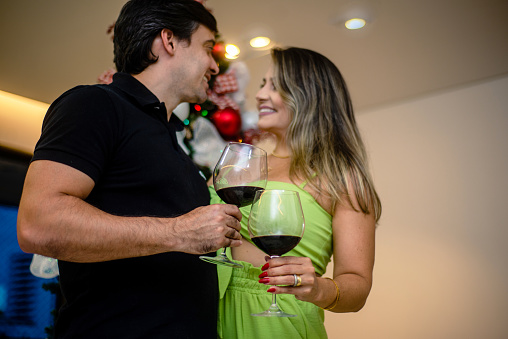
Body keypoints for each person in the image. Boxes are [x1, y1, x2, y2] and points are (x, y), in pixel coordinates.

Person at [16, 0, 243, 338]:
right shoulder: (95, 104)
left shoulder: (176, 145)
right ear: (168, 40)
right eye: (208, 48)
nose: (215, 65)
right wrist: (180, 233)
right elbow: (38, 225)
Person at [211, 47, 382, 338]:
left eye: (274, 86)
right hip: (210, 312)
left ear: (309, 96)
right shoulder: (248, 164)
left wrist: (317, 288)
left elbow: (357, 287)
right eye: (263, 84)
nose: (260, 94)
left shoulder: (342, 178)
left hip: (275, 321)